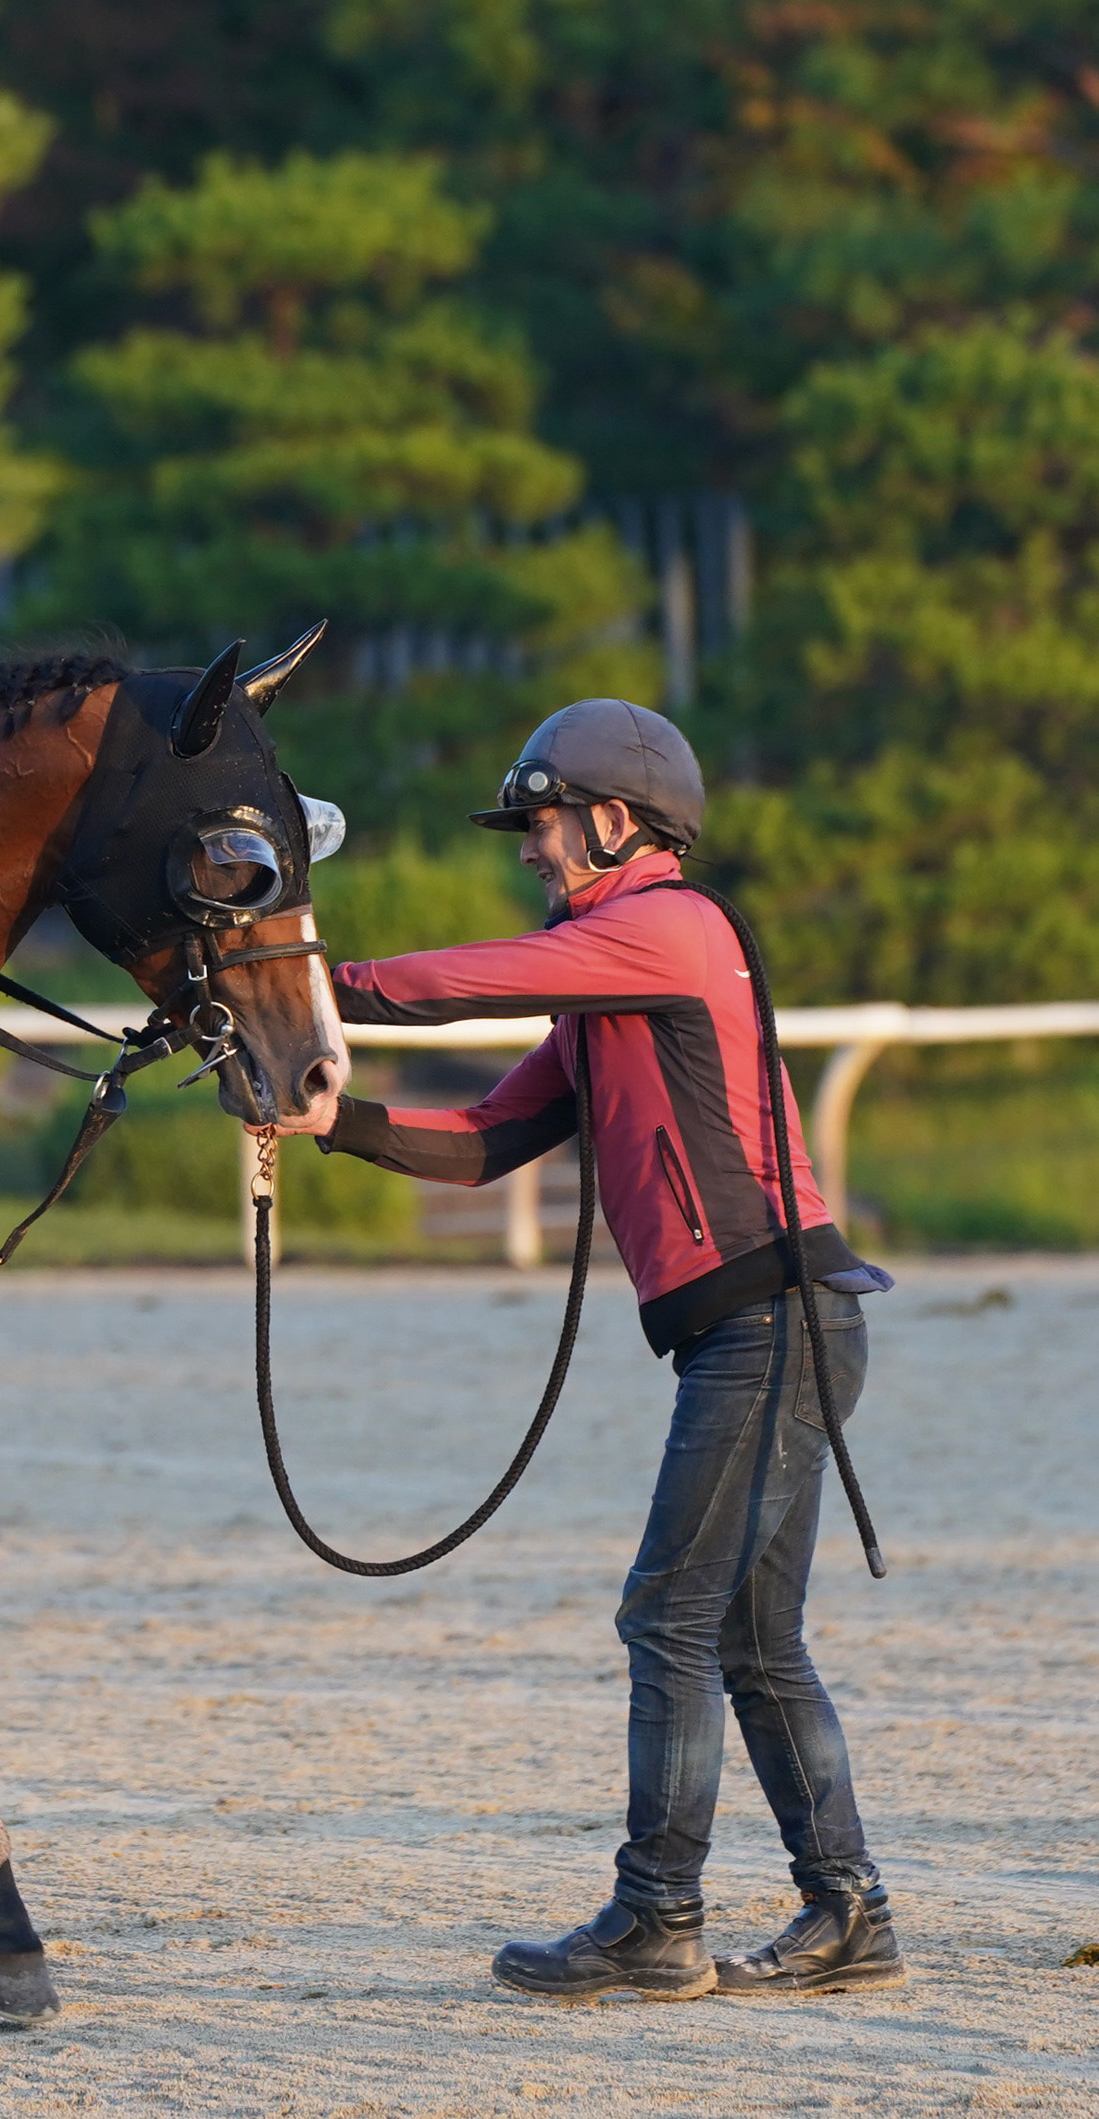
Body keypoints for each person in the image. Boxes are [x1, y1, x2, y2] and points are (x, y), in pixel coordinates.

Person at [285, 698, 902, 2001]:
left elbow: (467, 979)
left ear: (616, 822)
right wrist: (333, 1120)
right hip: (780, 1322)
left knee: (667, 1614)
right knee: (744, 1633)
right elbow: (485, 1141)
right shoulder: (609, 976)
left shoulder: (669, 927)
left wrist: (311, 984)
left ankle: (656, 1919)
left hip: (766, 1321)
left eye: (541, 821)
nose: (528, 847)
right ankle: (846, 1911)